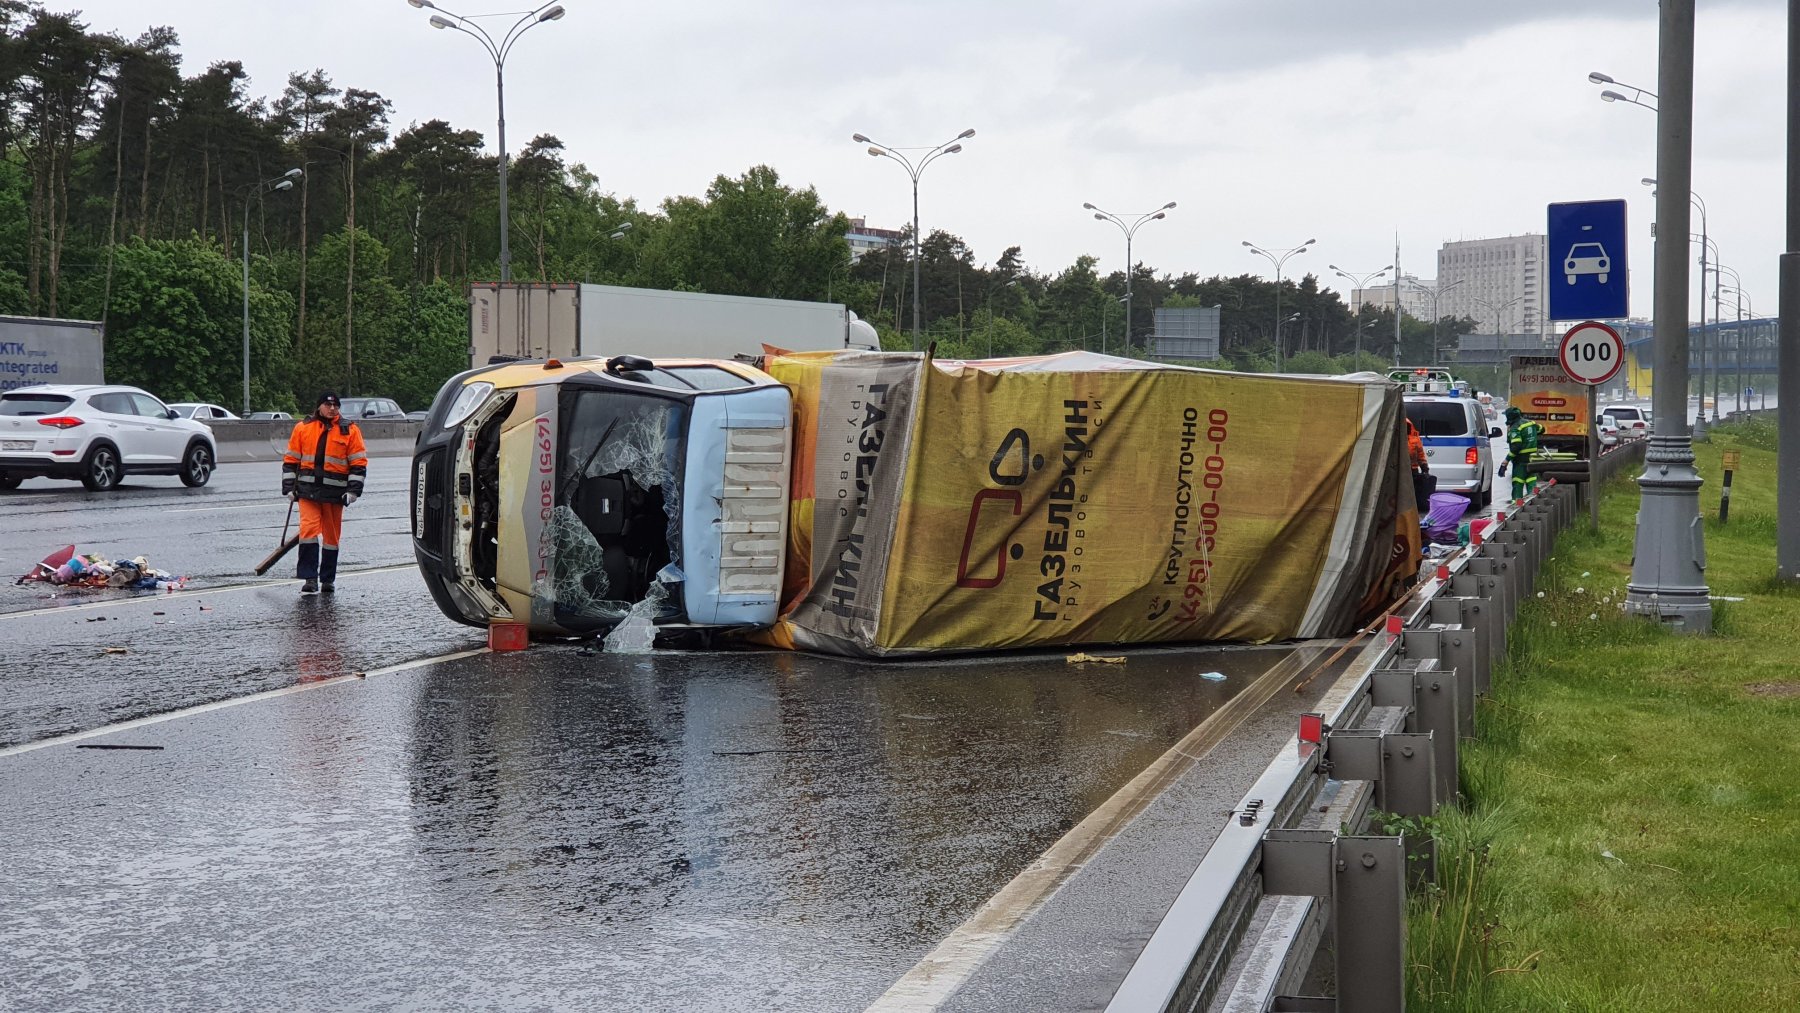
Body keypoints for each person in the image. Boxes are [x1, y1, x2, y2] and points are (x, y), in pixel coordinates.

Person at [282, 392, 368, 594]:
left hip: (334, 495)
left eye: (335, 406)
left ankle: (327, 580)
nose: (332, 409)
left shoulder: (350, 430)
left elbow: (358, 464)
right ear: (319, 406)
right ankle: (310, 578)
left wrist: (353, 491)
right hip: (308, 492)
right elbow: (291, 460)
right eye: (328, 405)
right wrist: (289, 488)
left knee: (331, 538)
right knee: (309, 533)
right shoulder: (303, 428)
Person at [1499, 406, 1543, 503]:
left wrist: (1506, 461)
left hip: (1520, 460)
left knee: (1518, 482)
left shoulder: (1515, 428)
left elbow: (1516, 447)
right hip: (1532, 459)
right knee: (1531, 480)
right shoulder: (1531, 423)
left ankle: (1516, 504)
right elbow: (1541, 429)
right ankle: (1534, 502)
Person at [1405, 416, 1433, 511]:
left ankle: (1412, 508)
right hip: (1399, 469)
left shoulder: (1414, 438)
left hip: (1412, 470)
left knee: (1413, 491)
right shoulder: (1395, 438)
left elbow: (1420, 454)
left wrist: (1425, 468)